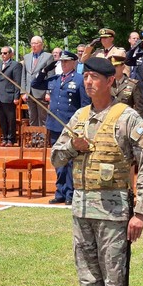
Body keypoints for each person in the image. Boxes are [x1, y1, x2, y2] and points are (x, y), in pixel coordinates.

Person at [50, 57, 143, 286]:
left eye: (95, 77)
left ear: (111, 81)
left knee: (114, 281)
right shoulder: (79, 117)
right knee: (88, 280)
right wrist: (73, 146)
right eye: (86, 77)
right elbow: (55, 157)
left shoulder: (126, 117)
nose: (88, 82)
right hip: (82, 210)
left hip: (114, 213)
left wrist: (141, 212)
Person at [33, 49, 89, 205]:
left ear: (73, 62)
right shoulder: (56, 79)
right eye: (61, 62)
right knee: (58, 159)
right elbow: (35, 84)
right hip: (55, 125)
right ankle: (60, 192)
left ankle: (70, 193)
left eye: (66, 61)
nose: (63, 64)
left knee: (70, 160)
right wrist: (45, 70)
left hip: (70, 125)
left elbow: (85, 104)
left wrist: (81, 125)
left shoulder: (79, 79)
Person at [22, 36, 55, 129]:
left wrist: (48, 92)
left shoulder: (48, 56)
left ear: (41, 45)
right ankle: (34, 139)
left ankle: (42, 139)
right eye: (32, 43)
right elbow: (24, 75)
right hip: (29, 92)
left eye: (36, 43)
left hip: (42, 92)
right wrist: (23, 91)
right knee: (32, 117)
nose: (33, 46)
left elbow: (51, 75)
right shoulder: (27, 57)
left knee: (42, 117)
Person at [0, 45, 23, 145]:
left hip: (9, 96)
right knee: (2, 119)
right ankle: (4, 137)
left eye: (5, 53)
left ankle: (11, 138)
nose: (2, 55)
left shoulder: (15, 65)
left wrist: (16, 97)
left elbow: (17, 82)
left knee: (10, 119)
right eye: (1, 53)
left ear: (10, 54)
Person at [107, 48, 142, 114]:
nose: (113, 69)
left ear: (123, 67)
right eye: (111, 67)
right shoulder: (107, 84)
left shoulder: (132, 84)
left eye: (116, 66)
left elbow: (139, 109)